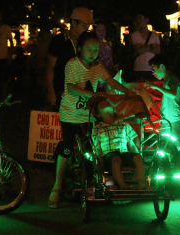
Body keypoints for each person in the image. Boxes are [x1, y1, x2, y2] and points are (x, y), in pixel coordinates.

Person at [47, 31, 136, 209]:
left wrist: (127, 92)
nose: (93, 53)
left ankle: (91, 185)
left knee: (91, 150)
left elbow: (110, 80)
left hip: (89, 115)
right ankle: (56, 187)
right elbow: (71, 89)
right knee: (66, 147)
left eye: (96, 49)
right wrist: (94, 94)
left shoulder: (97, 66)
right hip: (70, 114)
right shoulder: (72, 64)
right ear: (79, 48)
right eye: (89, 49)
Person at [89, 97, 148, 190]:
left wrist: (137, 151)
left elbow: (134, 139)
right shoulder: (97, 128)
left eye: (107, 104)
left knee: (137, 157)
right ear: (98, 114)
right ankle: (123, 186)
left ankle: (142, 184)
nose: (106, 105)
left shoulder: (123, 125)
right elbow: (98, 146)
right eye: (102, 105)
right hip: (109, 155)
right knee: (115, 159)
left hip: (123, 153)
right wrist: (99, 160)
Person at [45, 7, 94, 108]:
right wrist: (50, 92)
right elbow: (50, 67)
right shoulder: (59, 41)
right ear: (74, 23)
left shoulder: (85, 42)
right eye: (84, 26)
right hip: (61, 92)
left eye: (88, 26)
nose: (86, 29)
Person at [143, 54, 180, 141]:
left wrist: (155, 86)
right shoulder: (167, 80)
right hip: (166, 119)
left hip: (173, 120)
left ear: (162, 66)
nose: (153, 73)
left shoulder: (171, 79)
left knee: (174, 146)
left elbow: (173, 94)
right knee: (164, 144)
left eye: (153, 69)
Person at [131, 12, 161, 82]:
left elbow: (158, 51)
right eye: (137, 19)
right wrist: (151, 46)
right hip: (139, 67)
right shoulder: (134, 35)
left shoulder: (155, 35)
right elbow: (138, 51)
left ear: (146, 20)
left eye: (140, 19)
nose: (138, 21)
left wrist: (143, 47)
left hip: (153, 68)